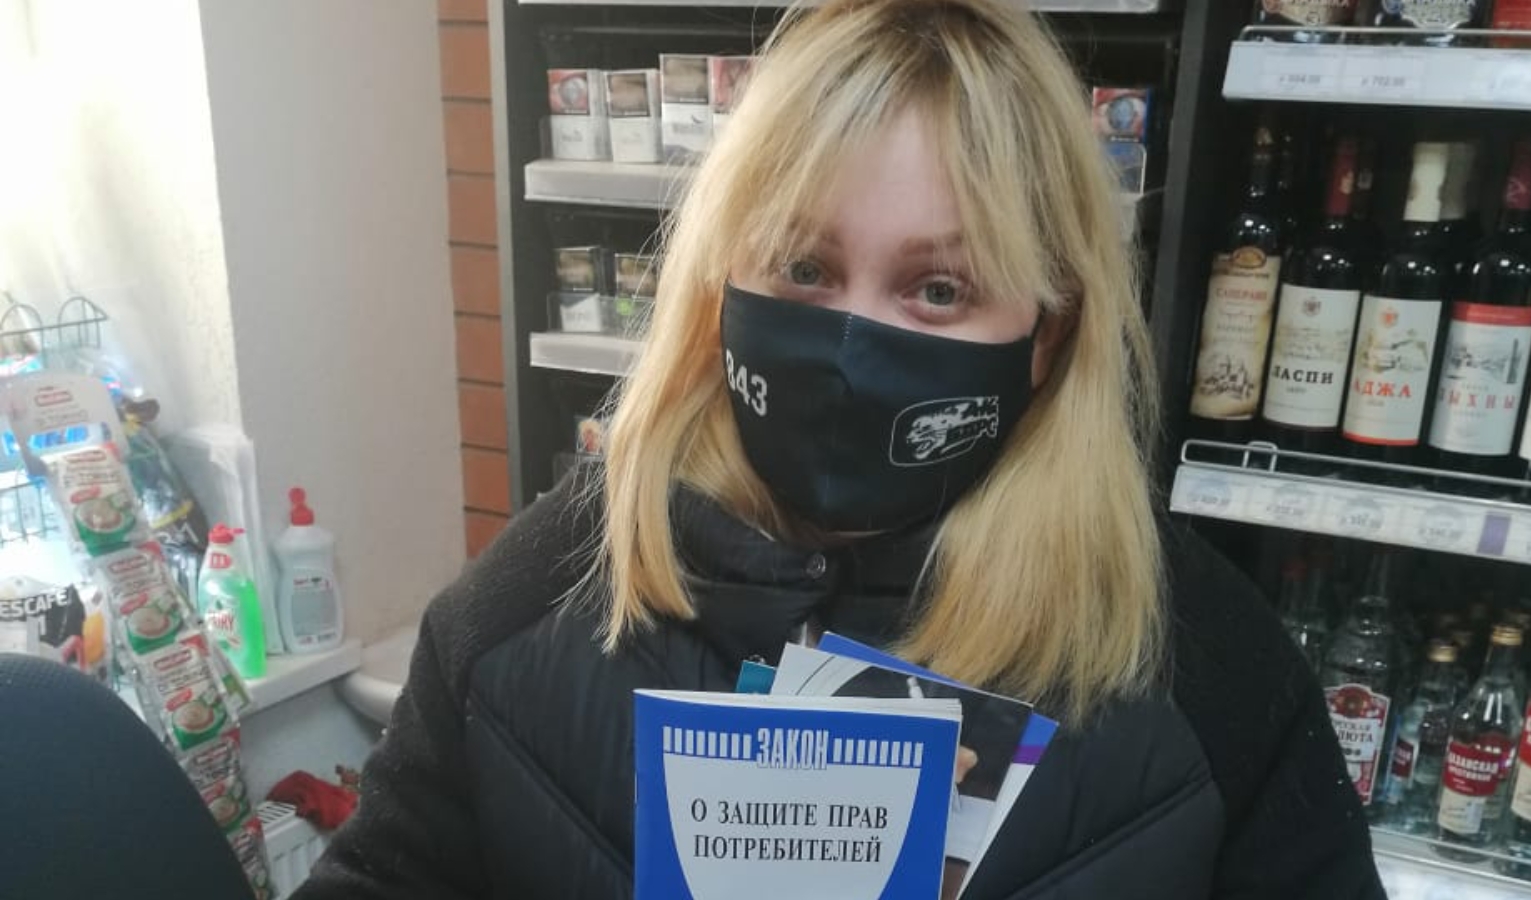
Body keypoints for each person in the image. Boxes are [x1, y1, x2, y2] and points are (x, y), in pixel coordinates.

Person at [294, 0, 1383, 897]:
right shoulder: (529, 604)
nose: (854, 346)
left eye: (939, 288)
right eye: (804, 268)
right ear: (720, 279)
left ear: (1048, 335)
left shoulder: (1203, 667)